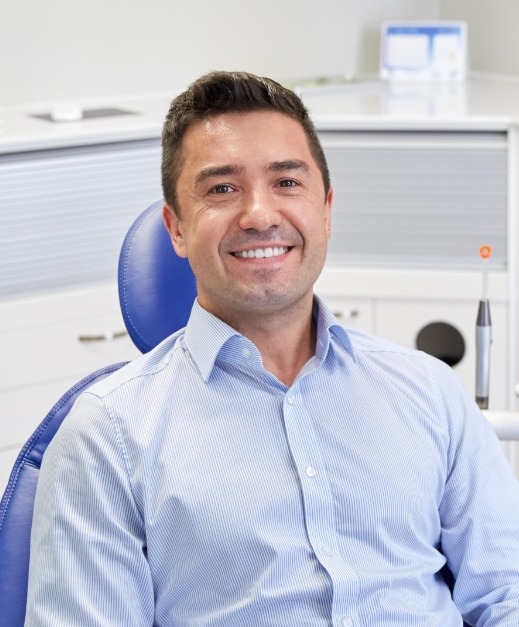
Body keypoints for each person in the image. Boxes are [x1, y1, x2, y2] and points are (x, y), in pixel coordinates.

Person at [25, 71, 519, 627]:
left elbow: (505, 595)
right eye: (221, 188)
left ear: (326, 211)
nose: (260, 215)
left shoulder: (429, 392)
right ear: (177, 228)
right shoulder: (107, 437)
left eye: (287, 182)